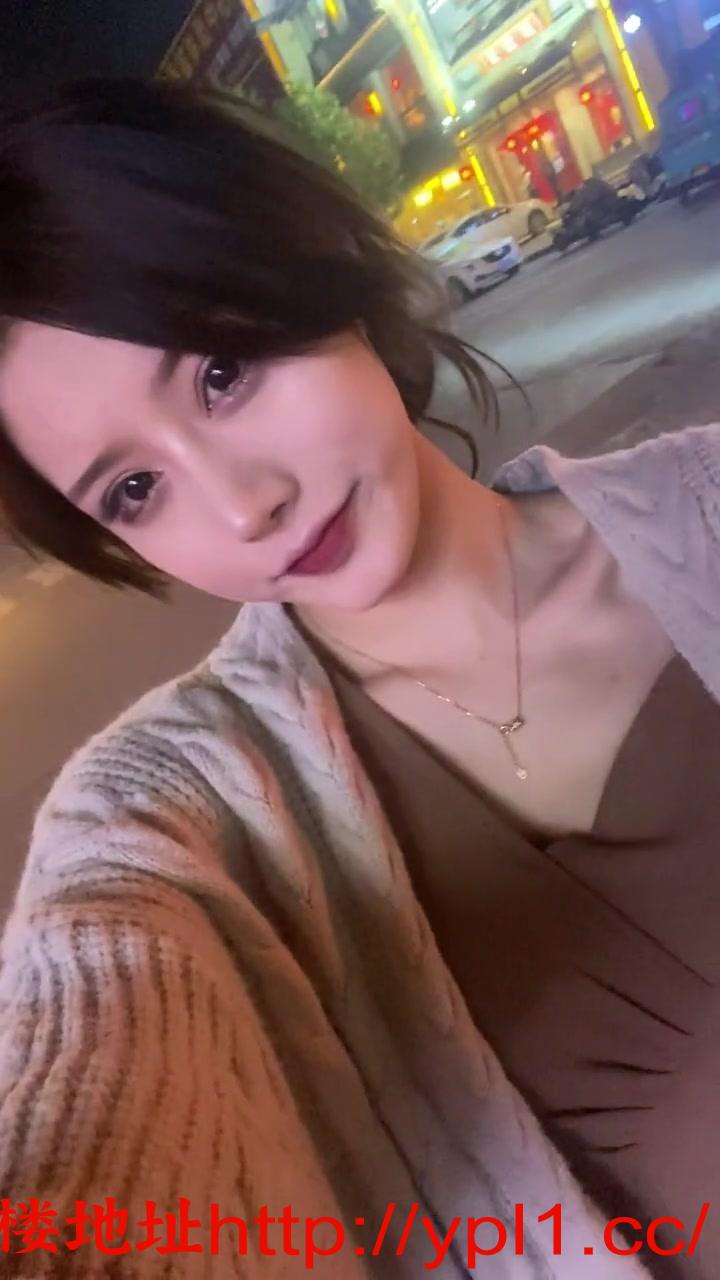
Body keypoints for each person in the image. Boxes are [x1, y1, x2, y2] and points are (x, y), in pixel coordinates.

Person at [0, 78, 716, 1279]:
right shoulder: (181, 812)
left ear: (314, 262)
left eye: (223, 371)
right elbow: (92, 1040)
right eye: (135, 489)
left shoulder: (706, 503)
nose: (245, 506)